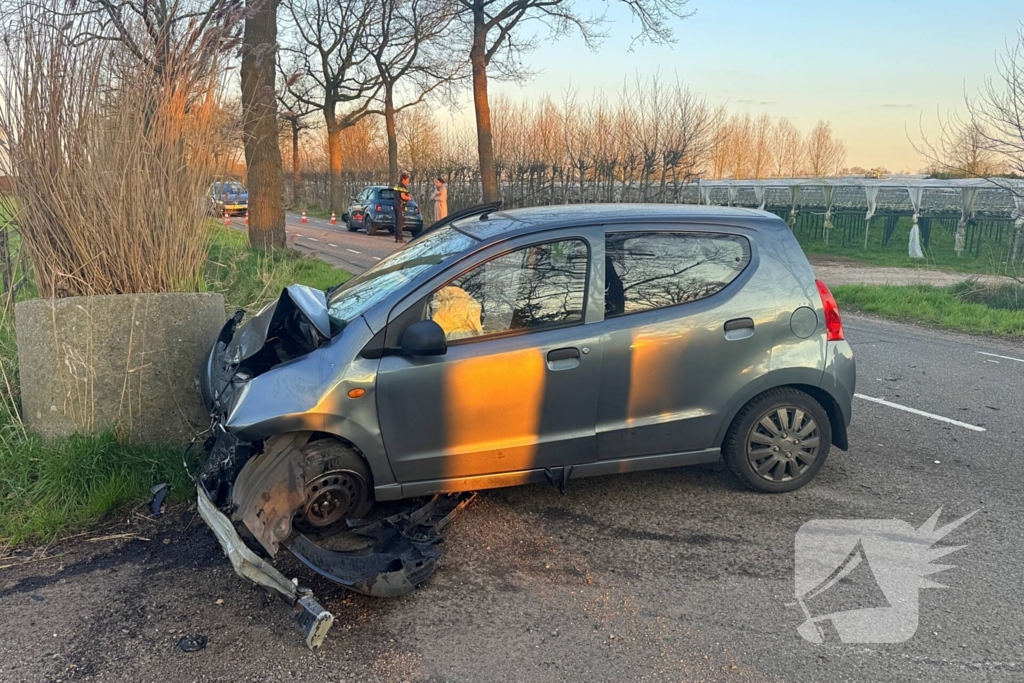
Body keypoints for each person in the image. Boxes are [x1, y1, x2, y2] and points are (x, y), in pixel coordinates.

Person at [392, 172, 412, 243]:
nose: (408, 181)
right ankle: (400, 238)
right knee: (400, 222)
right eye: (407, 180)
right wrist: (409, 198)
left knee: (397, 221)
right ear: (404, 179)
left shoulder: (397, 185)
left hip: (395, 204)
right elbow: (403, 196)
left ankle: (397, 237)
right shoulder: (402, 186)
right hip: (400, 205)